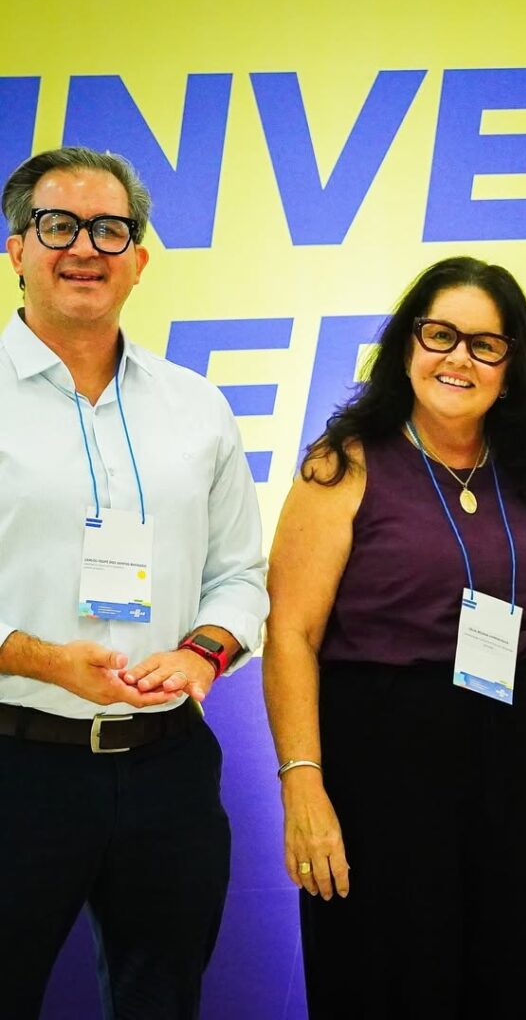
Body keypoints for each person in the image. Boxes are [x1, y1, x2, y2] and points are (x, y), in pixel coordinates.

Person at [262, 256, 526, 1018]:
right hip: (383, 773)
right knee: (393, 982)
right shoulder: (344, 465)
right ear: (408, 344)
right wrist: (302, 783)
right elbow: (290, 633)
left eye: (485, 345)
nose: (458, 359)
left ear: (511, 367)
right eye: (440, 334)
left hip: (521, 769)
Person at [0, 146, 268, 1018]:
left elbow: (240, 575)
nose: (86, 247)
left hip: (168, 766)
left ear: (140, 261)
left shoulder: (198, 407)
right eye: (58, 226)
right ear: (17, 250)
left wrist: (201, 655)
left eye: (110, 230)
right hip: (16, 763)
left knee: (163, 1000)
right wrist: (43, 660)